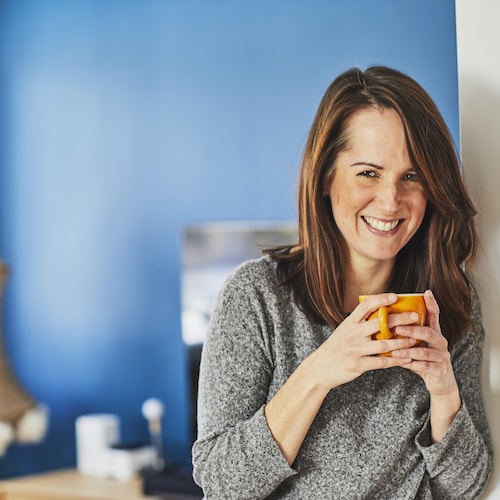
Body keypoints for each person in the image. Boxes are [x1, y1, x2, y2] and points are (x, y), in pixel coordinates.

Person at [191, 66, 493, 499]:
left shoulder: (448, 298)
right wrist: (319, 371)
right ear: (327, 178)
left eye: (412, 176)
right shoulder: (256, 297)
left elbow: (467, 488)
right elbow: (221, 485)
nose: (391, 201)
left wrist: (444, 389)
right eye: (368, 173)